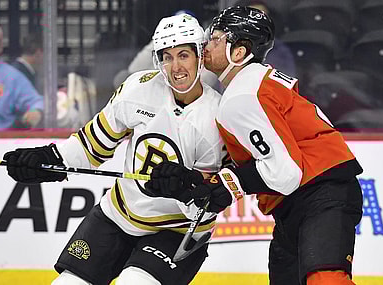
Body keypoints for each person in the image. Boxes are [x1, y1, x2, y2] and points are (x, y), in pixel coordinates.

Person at [147, 6, 363, 285]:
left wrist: (231, 184)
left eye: (215, 39)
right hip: (301, 200)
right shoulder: (256, 81)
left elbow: (285, 174)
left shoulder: (242, 96)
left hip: (320, 195)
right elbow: (265, 159)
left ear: (238, 52)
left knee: (326, 281)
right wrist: (205, 181)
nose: (206, 45)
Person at [3, 14, 225, 285]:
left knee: (135, 282)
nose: (175, 66)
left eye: (183, 55)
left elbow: (211, 199)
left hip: (177, 232)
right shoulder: (137, 89)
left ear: (200, 56)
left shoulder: (217, 117)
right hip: (118, 215)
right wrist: (49, 160)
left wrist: (185, 188)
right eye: (167, 57)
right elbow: (93, 145)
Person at [234, 0, 296, 76]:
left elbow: (284, 84)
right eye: (253, 18)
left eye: (263, 17)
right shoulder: (229, 47)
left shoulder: (280, 51)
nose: (258, 23)